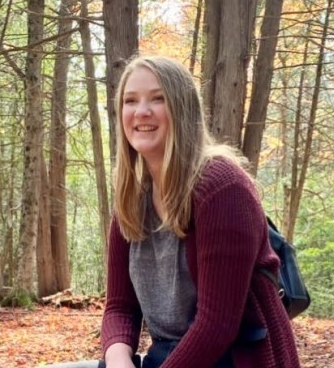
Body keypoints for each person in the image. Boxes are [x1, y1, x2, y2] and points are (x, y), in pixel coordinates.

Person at [31, 55, 301, 368]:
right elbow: (120, 307)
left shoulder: (222, 188)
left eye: (158, 99)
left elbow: (216, 327)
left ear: (182, 109)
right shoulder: (132, 196)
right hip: (168, 356)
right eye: (130, 101)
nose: (141, 111)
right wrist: (119, 360)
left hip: (235, 358)